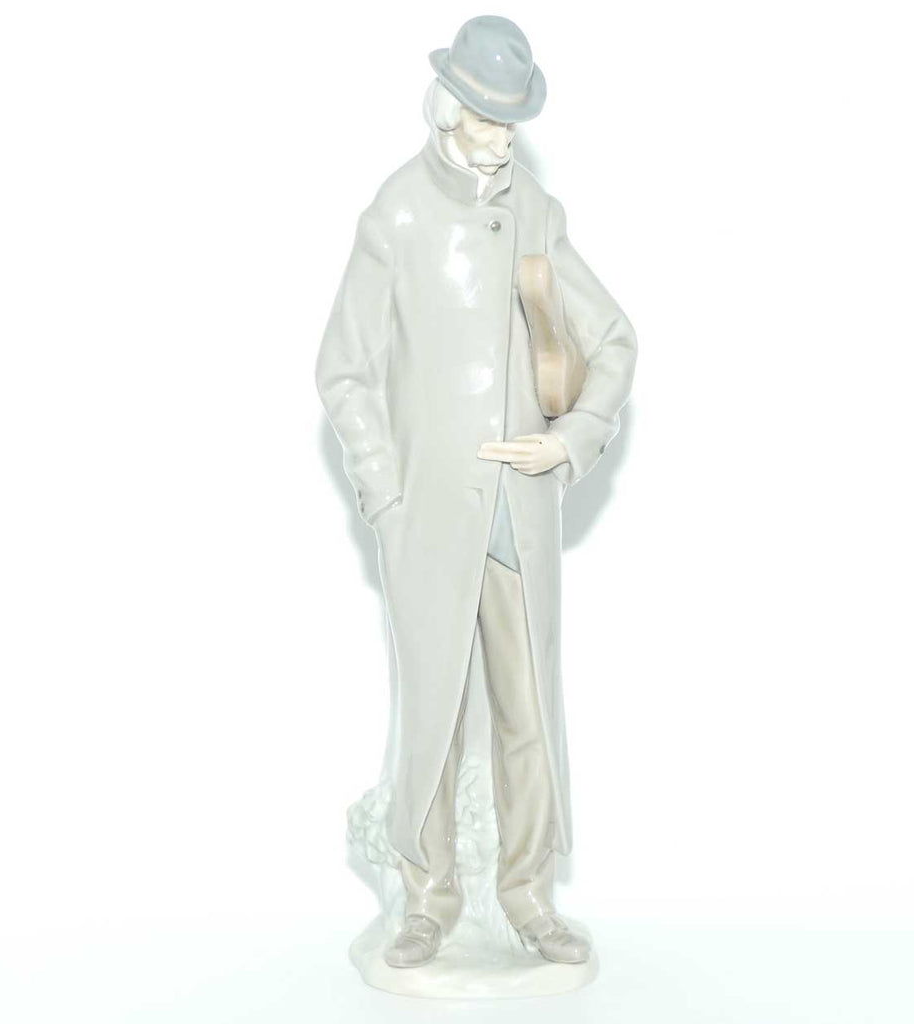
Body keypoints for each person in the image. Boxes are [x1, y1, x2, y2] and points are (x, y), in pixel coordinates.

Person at [316, 15, 637, 968]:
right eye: (489, 115)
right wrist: (385, 495)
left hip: (518, 518)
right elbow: (343, 370)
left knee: (528, 713)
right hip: (429, 516)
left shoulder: (536, 210)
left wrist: (571, 439)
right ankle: (427, 898)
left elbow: (614, 338)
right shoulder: (397, 212)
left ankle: (529, 895)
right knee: (434, 713)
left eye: (512, 118)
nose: (501, 134)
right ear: (449, 106)